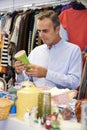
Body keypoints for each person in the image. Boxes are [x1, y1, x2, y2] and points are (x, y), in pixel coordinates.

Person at [15, 10, 82, 90]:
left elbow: (75, 82)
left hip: (62, 101)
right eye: (39, 31)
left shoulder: (73, 50)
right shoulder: (36, 51)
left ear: (57, 29)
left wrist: (46, 74)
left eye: (45, 31)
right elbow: (26, 82)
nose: (41, 35)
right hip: (36, 100)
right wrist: (19, 73)